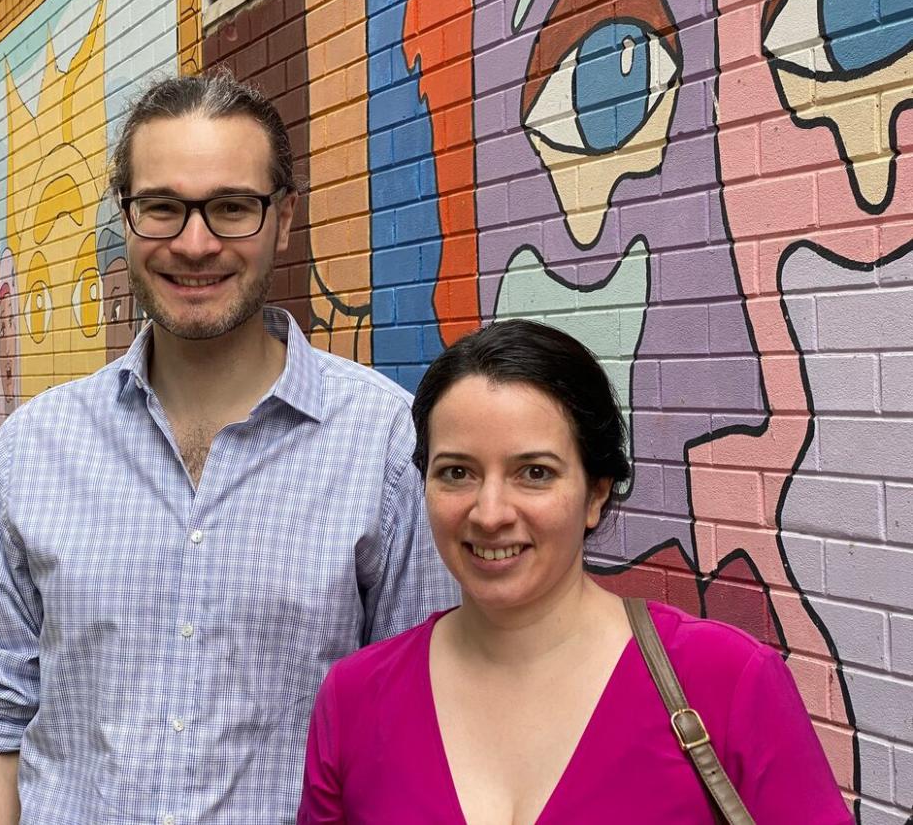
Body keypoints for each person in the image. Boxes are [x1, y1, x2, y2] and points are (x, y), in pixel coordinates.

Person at [0, 70, 457, 825]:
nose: (195, 243)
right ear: (125, 219)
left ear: (283, 218)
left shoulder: (385, 442)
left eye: (231, 207)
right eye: (162, 208)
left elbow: (416, 726)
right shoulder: (34, 450)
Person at [297, 320, 852, 824]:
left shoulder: (727, 682)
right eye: (457, 472)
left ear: (595, 494)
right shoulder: (354, 700)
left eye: (534, 472)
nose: (489, 513)